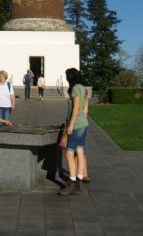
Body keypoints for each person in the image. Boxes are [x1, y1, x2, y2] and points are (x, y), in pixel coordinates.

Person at [58, 68, 89, 196]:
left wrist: (71, 125)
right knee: (80, 151)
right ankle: (79, 180)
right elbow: (85, 108)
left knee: (69, 153)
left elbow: (76, 107)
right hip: (83, 123)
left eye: (67, 76)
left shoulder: (76, 88)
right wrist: (82, 121)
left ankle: (72, 181)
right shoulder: (84, 88)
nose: (66, 78)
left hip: (76, 124)